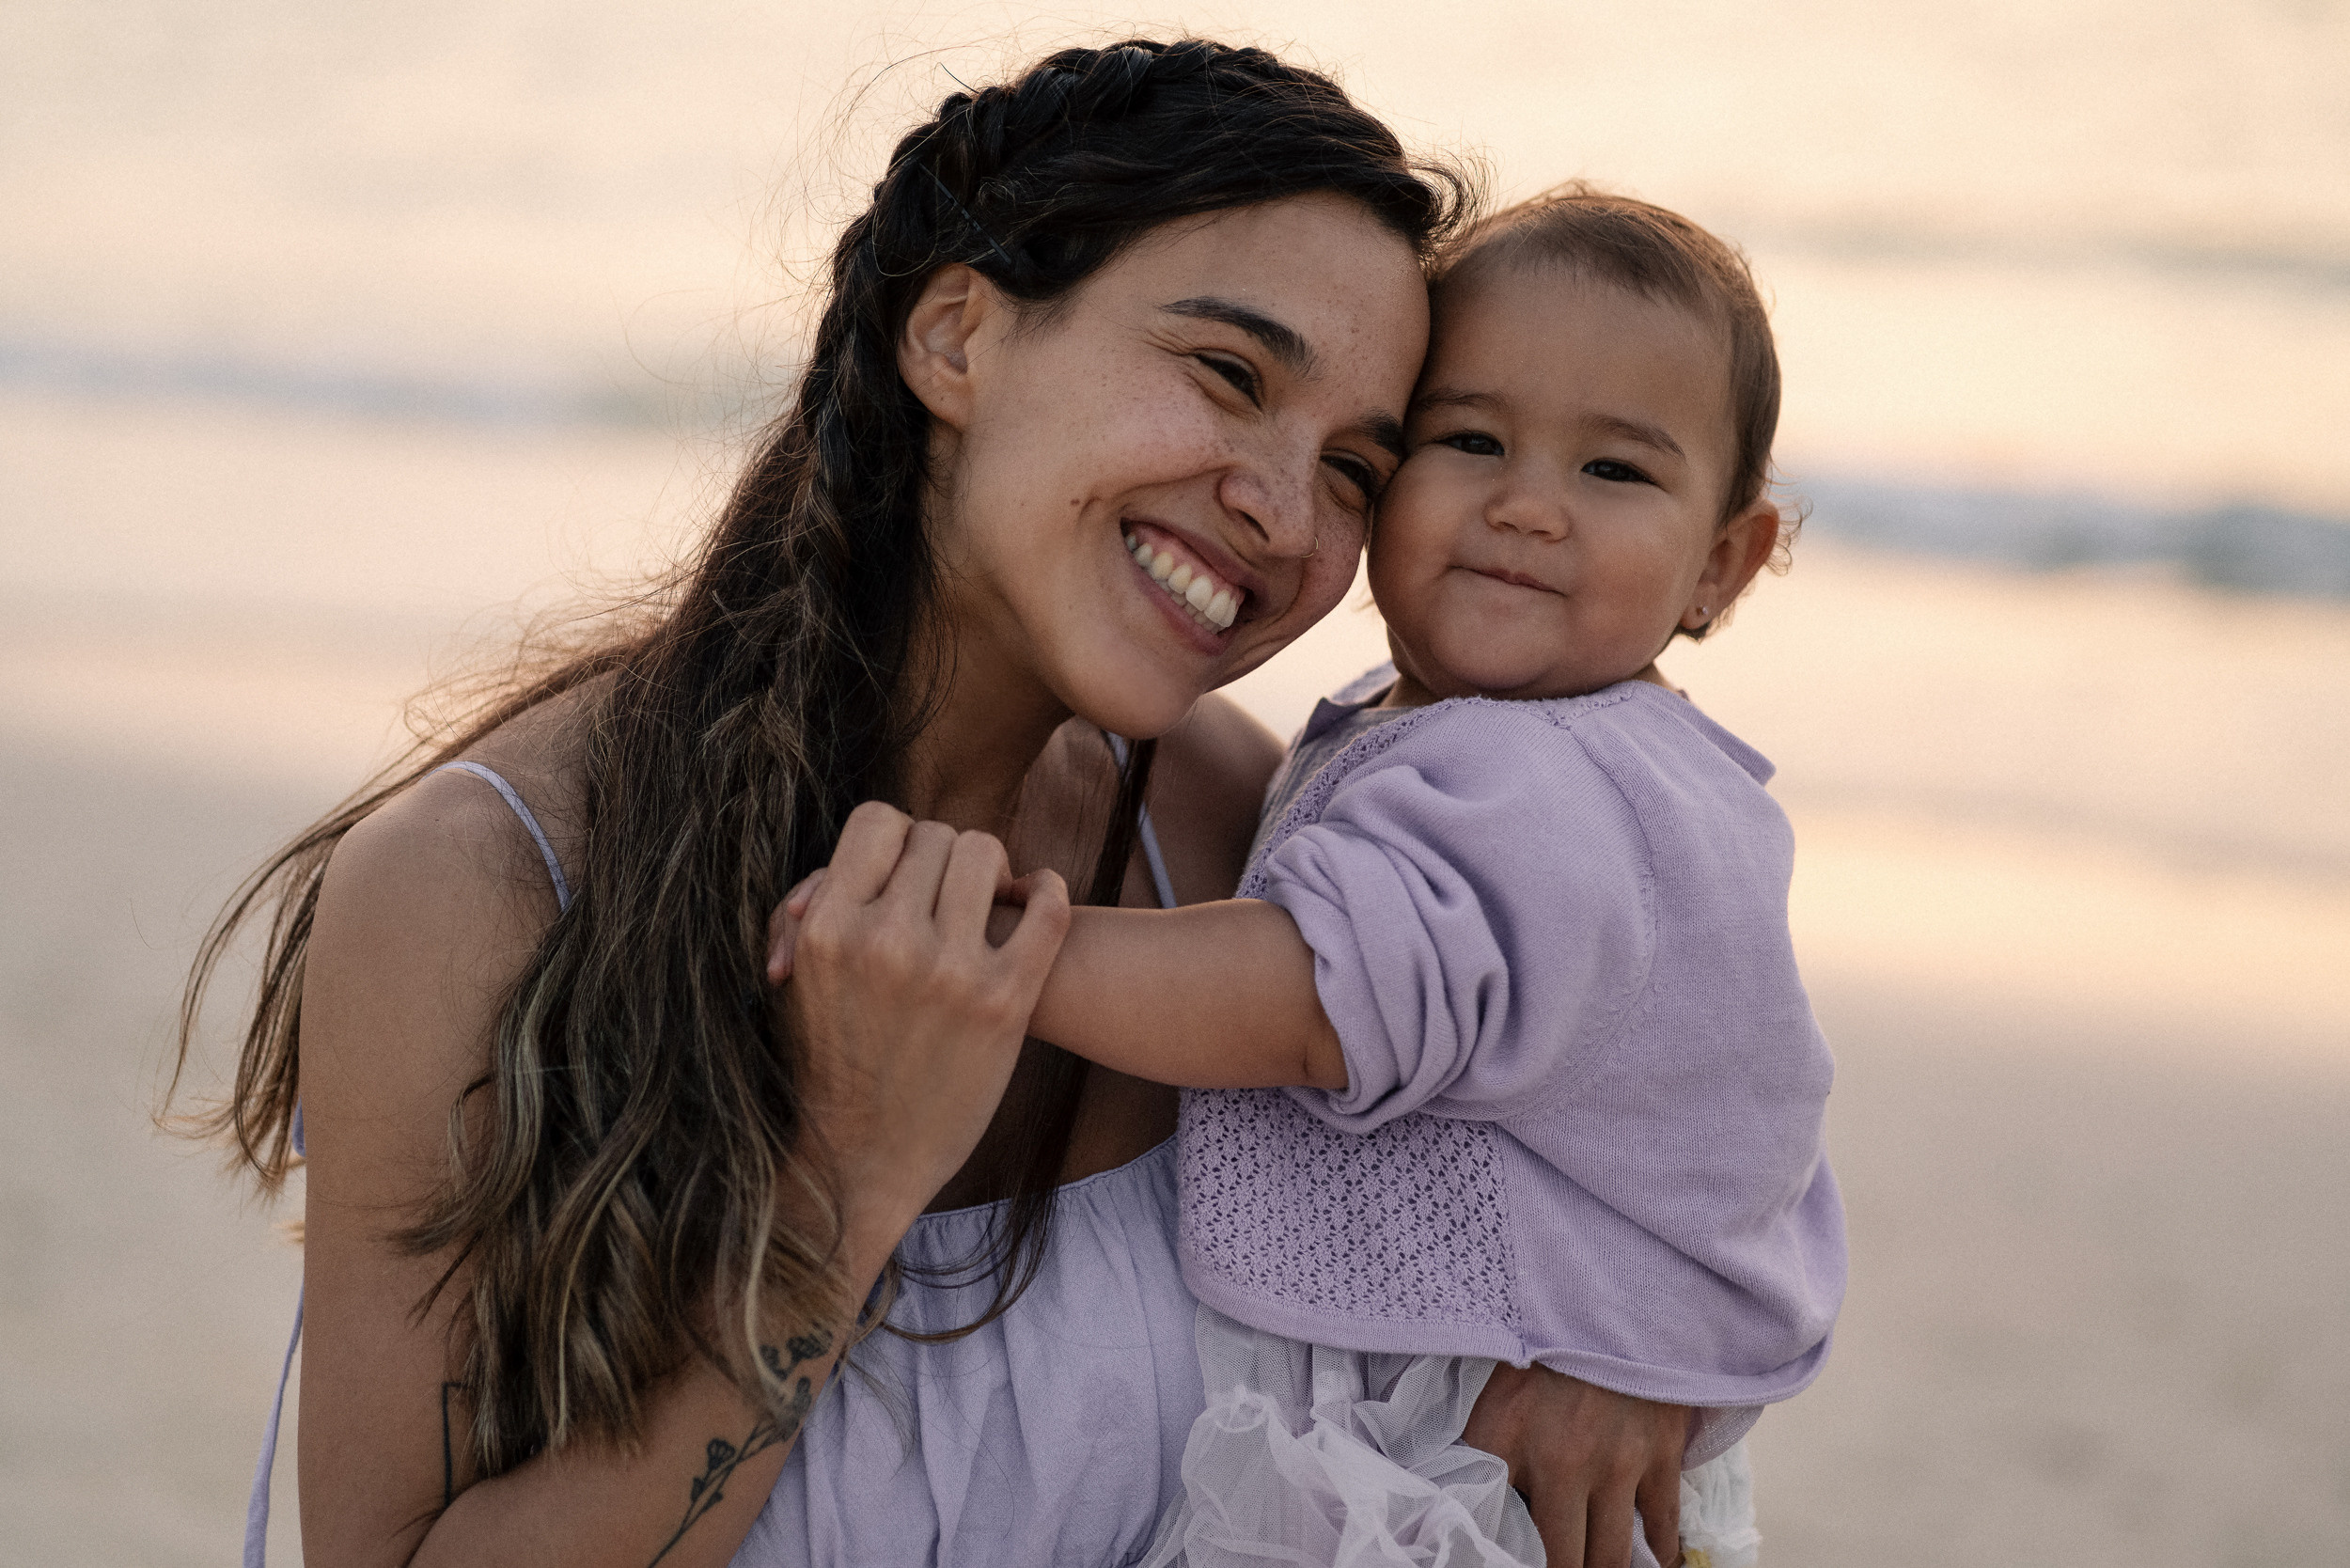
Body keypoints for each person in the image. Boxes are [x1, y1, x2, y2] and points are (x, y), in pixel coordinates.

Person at [176, 39, 1702, 1568]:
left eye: (1359, 468)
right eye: (1229, 375)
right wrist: (839, 1190)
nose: (1286, 513)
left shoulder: (1239, 833)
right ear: (959, 336)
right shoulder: (487, 890)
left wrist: (1632, 1354)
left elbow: (1643, 1092)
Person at [783, 186, 1847, 1567]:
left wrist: (1011, 949)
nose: (1527, 507)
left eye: (1615, 473)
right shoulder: (1573, 763)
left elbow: (1313, 997)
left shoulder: (1547, 793)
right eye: (1469, 441)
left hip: (1465, 1450)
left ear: (1723, 563)